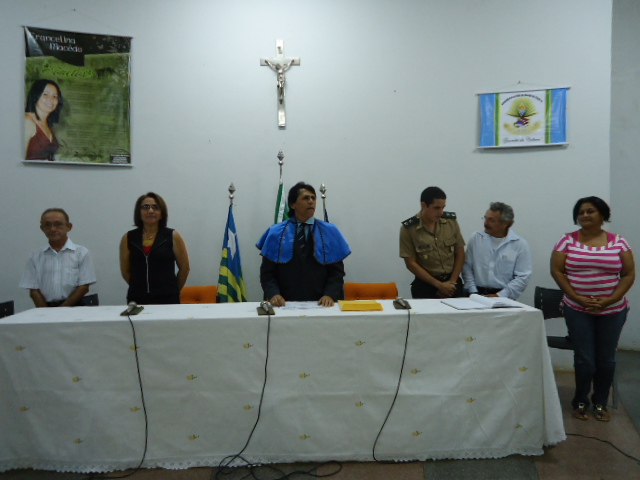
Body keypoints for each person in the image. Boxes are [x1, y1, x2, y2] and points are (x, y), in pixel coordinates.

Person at [551, 196, 635, 422]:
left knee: (606, 360)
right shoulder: (566, 241)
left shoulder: (619, 242)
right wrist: (577, 297)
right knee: (585, 360)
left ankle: (600, 402)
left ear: (602, 215)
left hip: (613, 311)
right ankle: (580, 400)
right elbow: (557, 271)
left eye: (590, 211)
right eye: (581, 212)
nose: (585, 215)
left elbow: (628, 274)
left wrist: (610, 300)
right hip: (576, 309)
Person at [256, 182, 350, 307]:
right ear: (292, 204)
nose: (311, 201)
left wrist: (330, 295)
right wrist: (274, 294)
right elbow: (267, 273)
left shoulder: (330, 232)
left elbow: (337, 273)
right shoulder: (276, 233)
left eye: (313, 198)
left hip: (322, 304)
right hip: (285, 305)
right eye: (306, 198)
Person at [119, 192, 190, 305]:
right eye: (146, 207)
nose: (150, 211)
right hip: (137, 298)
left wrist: (173, 290)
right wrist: (140, 287)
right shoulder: (128, 238)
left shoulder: (172, 236)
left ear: (162, 213)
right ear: (139, 212)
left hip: (167, 299)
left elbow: (184, 269)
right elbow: (125, 271)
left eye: (155, 207)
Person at [20, 208, 96, 307]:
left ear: (69, 227)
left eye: (58, 224)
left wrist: (60, 310)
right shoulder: (35, 256)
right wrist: (45, 312)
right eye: (48, 225)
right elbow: (33, 290)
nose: (53, 229)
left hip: (74, 307)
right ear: (42, 228)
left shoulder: (81, 253)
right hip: (45, 308)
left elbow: (84, 287)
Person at [399, 186, 465, 298]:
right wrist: (439, 285)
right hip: (426, 286)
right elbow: (411, 263)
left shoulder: (450, 222)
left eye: (443, 207)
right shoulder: (409, 228)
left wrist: (452, 283)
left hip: (452, 284)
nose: (441, 212)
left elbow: (460, 253)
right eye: (437, 208)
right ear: (424, 205)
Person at [462, 202, 532, 300]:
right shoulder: (476, 238)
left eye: (491, 220)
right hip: (475, 293)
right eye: (486, 218)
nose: (486, 223)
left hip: (504, 296)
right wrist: (473, 291)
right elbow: (467, 266)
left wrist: (500, 295)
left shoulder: (519, 244)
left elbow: (522, 276)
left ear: (505, 223)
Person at [25, 79, 63, 161]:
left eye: (55, 96)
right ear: (36, 96)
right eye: (45, 94)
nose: (51, 99)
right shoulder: (27, 121)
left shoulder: (48, 124)